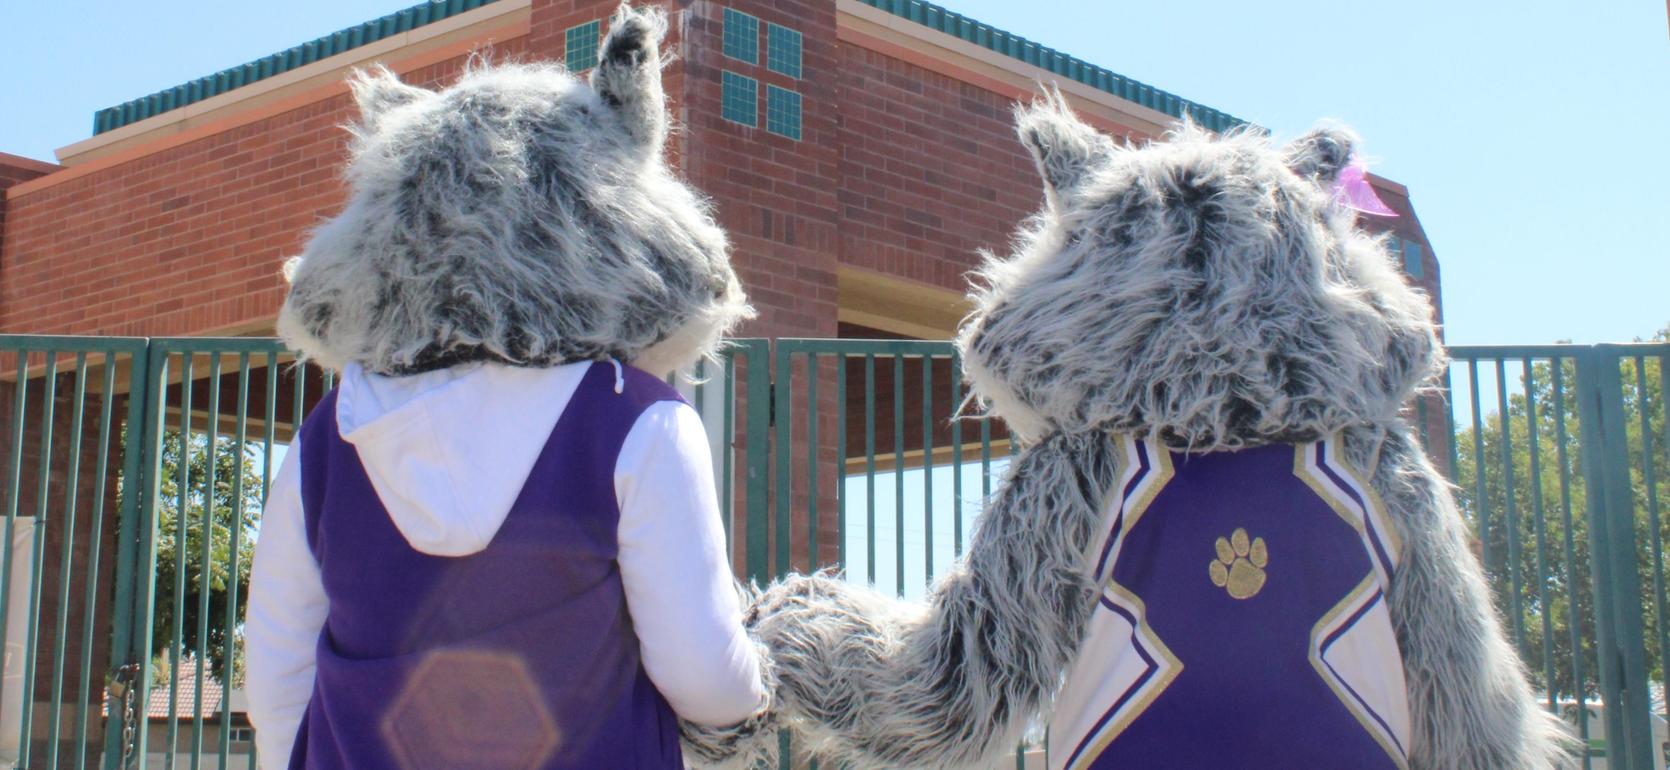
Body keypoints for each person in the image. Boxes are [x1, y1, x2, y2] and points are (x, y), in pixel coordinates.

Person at [245, 6, 766, 768]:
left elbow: (277, 681)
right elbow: (705, 675)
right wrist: (761, 681)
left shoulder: (328, 442)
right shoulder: (639, 424)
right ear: (606, 227)